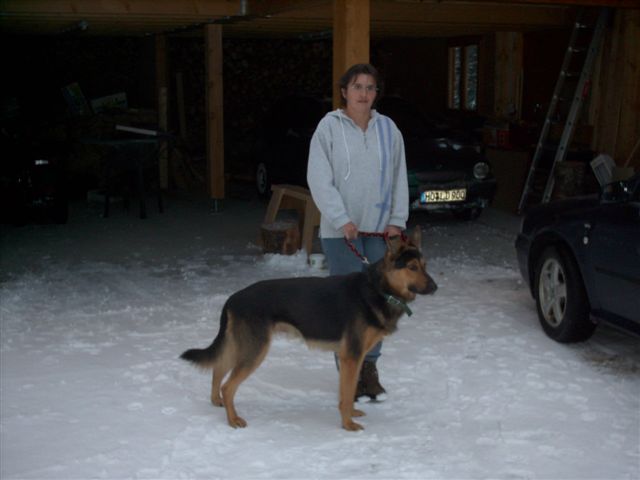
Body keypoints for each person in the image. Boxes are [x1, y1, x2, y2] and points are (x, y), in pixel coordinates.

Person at [307, 63, 409, 401]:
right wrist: (340, 218)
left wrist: (397, 220)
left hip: (379, 232)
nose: (363, 94)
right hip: (342, 234)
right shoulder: (329, 128)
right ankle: (350, 371)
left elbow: (399, 177)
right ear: (344, 92)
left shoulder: (389, 130)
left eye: (370, 87)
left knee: (379, 303)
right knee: (350, 306)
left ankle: (370, 369)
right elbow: (318, 178)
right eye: (357, 87)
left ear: (376, 93)